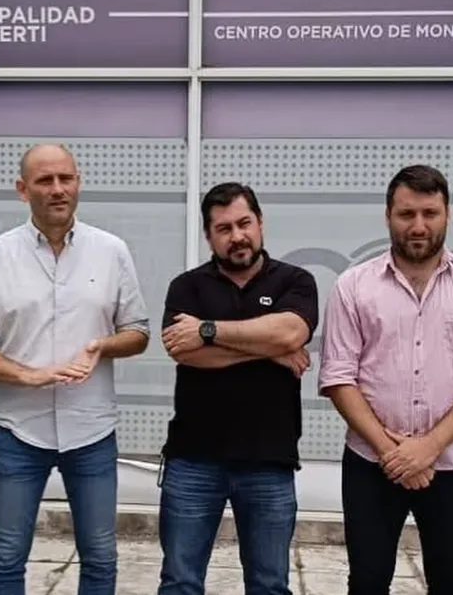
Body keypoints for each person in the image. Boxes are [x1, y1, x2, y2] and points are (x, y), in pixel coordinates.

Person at [0, 143, 150, 595]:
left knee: (100, 556)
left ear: (78, 182)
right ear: (22, 189)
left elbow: (138, 332)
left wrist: (102, 345)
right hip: (19, 430)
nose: (58, 189)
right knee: (6, 556)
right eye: (45, 180)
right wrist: (27, 375)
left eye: (66, 178)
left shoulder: (111, 251)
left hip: (92, 429)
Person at [157, 182, 319, 595]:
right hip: (193, 460)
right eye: (224, 228)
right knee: (179, 583)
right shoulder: (187, 287)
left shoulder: (295, 281)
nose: (237, 236)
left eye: (244, 223)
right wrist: (269, 349)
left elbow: (290, 333)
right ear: (208, 236)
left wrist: (207, 331)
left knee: (269, 585)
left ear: (260, 222)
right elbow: (184, 352)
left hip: (269, 460)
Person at [318, 164, 453, 595]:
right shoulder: (353, 286)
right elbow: (338, 377)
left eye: (430, 213)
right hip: (371, 464)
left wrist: (429, 446)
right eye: (406, 213)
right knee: (367, 581)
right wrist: (391, 452)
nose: (419, 226)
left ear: (447, 214)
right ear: (387, 216)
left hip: (451, 463)